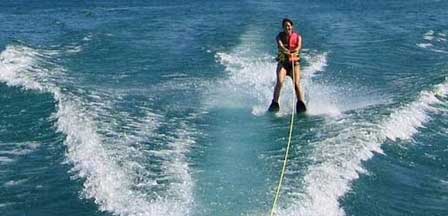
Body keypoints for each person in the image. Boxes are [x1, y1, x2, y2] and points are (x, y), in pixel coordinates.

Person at [268, 18, 306, 113]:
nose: (287, 27)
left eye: (289, 26)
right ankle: (275, 102)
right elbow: (280, 46)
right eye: (285, 26)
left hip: (294, 64)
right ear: (283, 28)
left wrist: (295, 52)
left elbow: (298, 47)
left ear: (292, 27)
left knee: (296, 84)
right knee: (280, 81)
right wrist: (287, 52)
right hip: (283, 63)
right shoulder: (279, 37)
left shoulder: (298, 37)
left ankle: (300, 103)